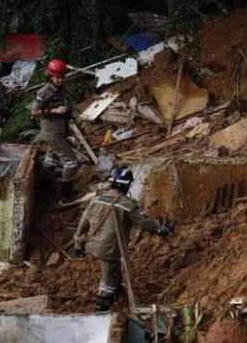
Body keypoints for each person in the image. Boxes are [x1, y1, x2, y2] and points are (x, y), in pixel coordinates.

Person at [73, 166, 171, 311]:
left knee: (113, 269)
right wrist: (160, 230)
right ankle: (103, 303)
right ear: (126, 185)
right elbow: (144, 222)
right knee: (109, 274)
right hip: (110, 248)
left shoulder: (96, 199)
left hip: (93, 244)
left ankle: (116, 290)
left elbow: (82, 225)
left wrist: (78, 246)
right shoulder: (126, 204)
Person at [30, 59, 79, 198]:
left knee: (51, 160)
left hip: (59, 129)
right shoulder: (45, 92)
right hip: (52, 132)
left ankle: (43, 190)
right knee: (71, 162)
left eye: (61, 77)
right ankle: (66, 195)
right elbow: (34, 111)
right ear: (50, 76)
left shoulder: (61, 88)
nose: (59, 80)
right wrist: (55, 110)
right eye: (56, 77)